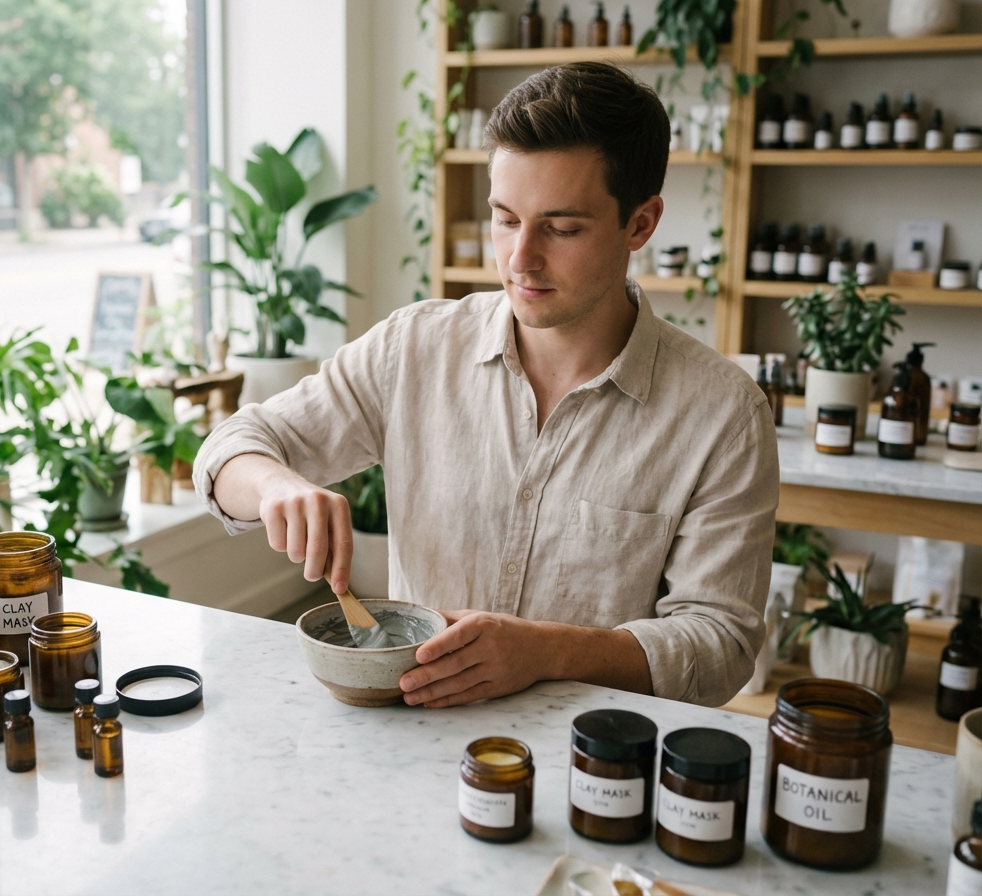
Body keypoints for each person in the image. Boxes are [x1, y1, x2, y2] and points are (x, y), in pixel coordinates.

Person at [192, 62, 779, 708]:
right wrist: (276, 486)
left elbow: (720, 645)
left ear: (640, 224)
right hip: (409, 745)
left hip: (590, 774)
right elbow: (231, 448)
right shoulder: (412, 349)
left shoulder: (724, 415)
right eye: (505, 219)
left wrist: (550, 651)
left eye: (561, 228)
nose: (520, 258)